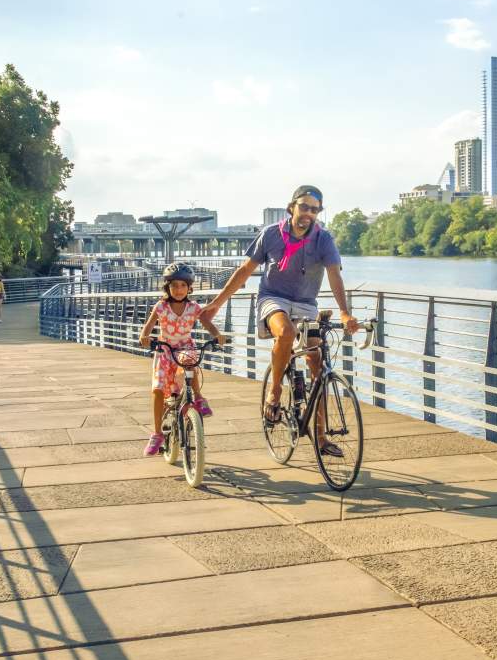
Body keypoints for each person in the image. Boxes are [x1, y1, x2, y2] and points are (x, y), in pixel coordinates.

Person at [201, 184, 359, 450]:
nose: (309, 213)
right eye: (304, 207)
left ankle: (320, 437)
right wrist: (217, 303)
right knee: (285, 333)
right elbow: (244, 270)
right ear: (291, 207)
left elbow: (334, 275)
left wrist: (344, 312)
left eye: (315, 209)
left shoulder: (324, 238)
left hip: (306, 303)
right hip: (273, 298)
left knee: (317, 365)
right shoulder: (271, 235)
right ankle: (274, 391)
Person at [139, 262, 226, 457]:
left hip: (185, 347)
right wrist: (144, 337)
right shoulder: (161, 306)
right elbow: (149, 325)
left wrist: (217, 335)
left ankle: (198, 397)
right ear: (167, 287)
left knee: (189, 360)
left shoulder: (193, 307)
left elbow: (207, 323)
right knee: (158, 389)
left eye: (183, 286)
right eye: (174, 285)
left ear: (189, 288)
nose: (178, 290)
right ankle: (157, 434)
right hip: (164, 350)